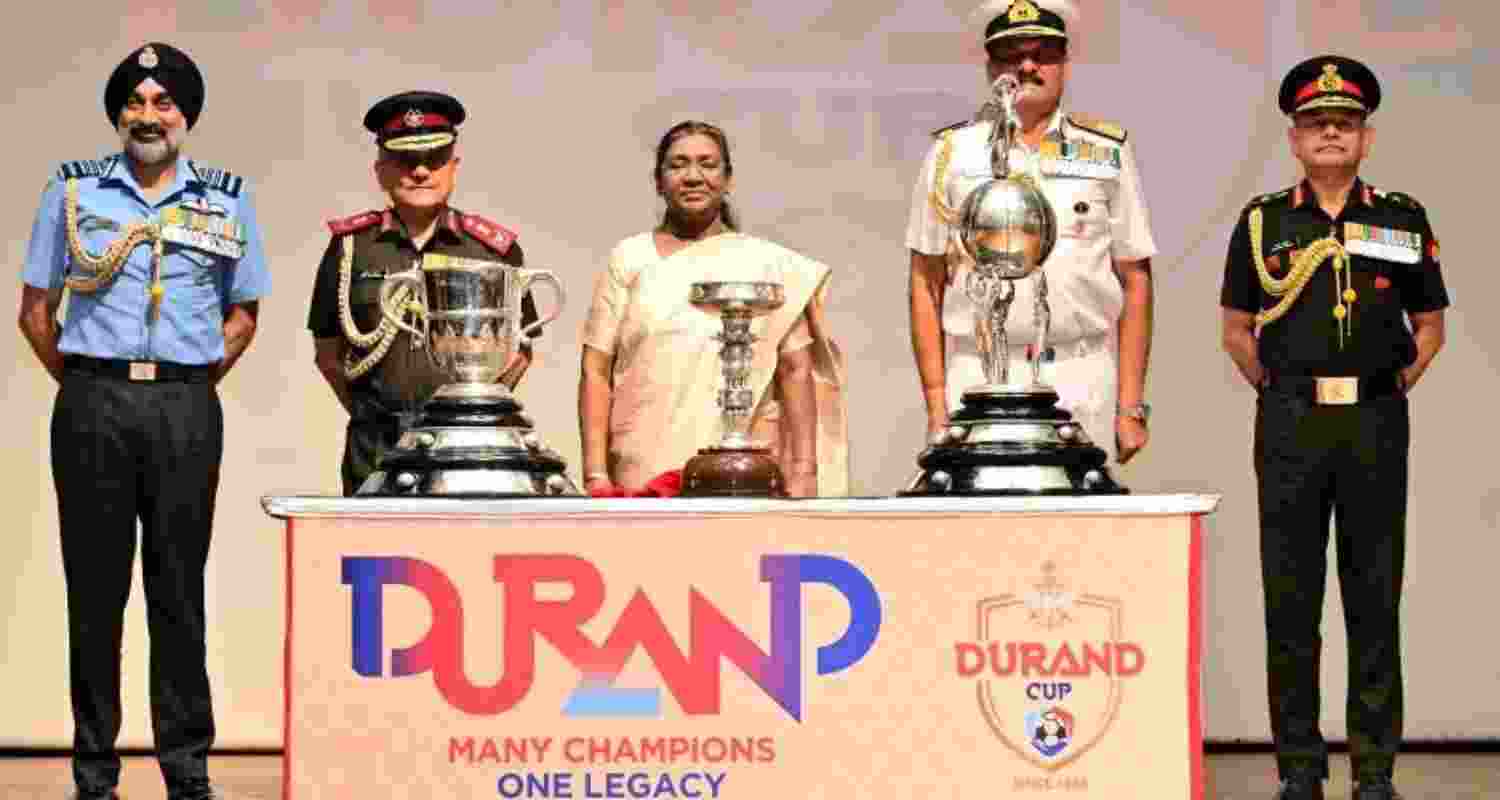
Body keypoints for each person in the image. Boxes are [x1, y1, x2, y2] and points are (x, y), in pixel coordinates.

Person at [17, 43, 271, 800]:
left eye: (164, 104)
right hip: (93, 405)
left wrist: (183, 379)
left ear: (186, 117)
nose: (149, 116)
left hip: (185, 409)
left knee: (178, 589)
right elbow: (37, 312)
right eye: (136, 102)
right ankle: (95, 775)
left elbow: (243, 313)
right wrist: (91, 380)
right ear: (117, 113)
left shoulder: (227, 198)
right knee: (94, 593)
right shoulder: (72, 192)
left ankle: (187, 771)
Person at [1219, 56, 1448, 800]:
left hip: (1376, 421)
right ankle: (1300, 769)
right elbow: (1237, 330)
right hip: (1290, 421)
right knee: (1290, 599)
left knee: (1374, 597)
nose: (1329, 132)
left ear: (1365, 138)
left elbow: (1431, 326)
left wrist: (1380, 386)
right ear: (1293, 137)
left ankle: (1374, 770)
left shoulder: (1400, 218)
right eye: (1316, 122)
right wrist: (1291, 390)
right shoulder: (1263, 223)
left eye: (1344, 123)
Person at [906, 0, 1156, 463]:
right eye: (1009, 54)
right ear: (989, 66)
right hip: (978, 374)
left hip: (1079, 374)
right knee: (980, 528)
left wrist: (1130, 405)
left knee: (1083, 532)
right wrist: (937, 402)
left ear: (1064, 63)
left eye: (1043, 53)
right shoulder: (952, 154)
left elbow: (1135, 278)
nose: (1026, 65)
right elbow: (926, 279)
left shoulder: (1104, 152)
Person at [579, 120, 847, 498]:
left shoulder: (767, 263)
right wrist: (595, 476)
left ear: (728, 179)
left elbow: (795, 369)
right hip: (643, 465)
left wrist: (804, 471)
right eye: (678, 164)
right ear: (658, 181)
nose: (693, 176)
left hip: (744, 468)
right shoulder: (630, 258)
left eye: (707, 164)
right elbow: (595, 369)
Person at [307, 91, 539, 495]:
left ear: (454, 167)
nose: (420, 172)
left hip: (467, 445)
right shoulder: (350, 249)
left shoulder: (490, 250)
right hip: (376, 444)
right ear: (380, 170)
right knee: (377, 555)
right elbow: (328, 353)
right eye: (404, 161)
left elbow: (519, 351)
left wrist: (471, 412)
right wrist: (377, 414)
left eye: (434, 160)